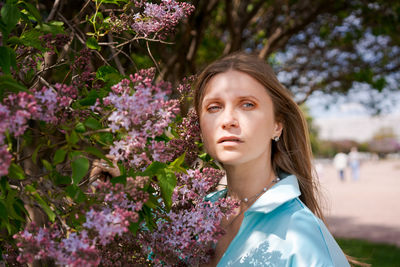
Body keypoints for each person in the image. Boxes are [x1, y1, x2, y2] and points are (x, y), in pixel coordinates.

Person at [194, 52, 350, 266]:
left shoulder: (302, 237)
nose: (227, 120)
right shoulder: (189, 216)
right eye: (214, 107)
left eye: (247, 104)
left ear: (277, 125)